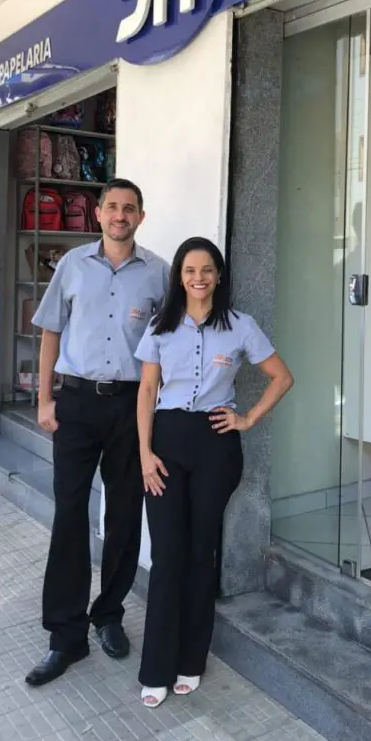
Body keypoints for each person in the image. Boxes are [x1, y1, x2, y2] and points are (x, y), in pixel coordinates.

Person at [134, 237, 293, 707]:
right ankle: (156, 667)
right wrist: (143, 452)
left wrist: (247, 419)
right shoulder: (161, 325)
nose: (198, 278)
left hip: (216, 446)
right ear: (178, 276)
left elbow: (282, 376)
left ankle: (191, 660)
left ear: (219, 275)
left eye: (206, 270)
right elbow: (146, 391)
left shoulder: (240, 326)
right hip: (165, 443)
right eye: (189, 271)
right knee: (167, 557)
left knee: (202, 554)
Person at [25, 178, 170, 687]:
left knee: (126, 514)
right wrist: (45, 398)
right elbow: (50, 332)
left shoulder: (158, 273)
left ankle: (108, 615)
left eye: (129, 208)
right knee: (69, 514)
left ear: (140, 216)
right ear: (99, 213)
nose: (119, 215)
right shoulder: (71, 266)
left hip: (131, 406)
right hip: (79, 401)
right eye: (112, 206)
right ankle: (65, 637)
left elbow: (168, 344)